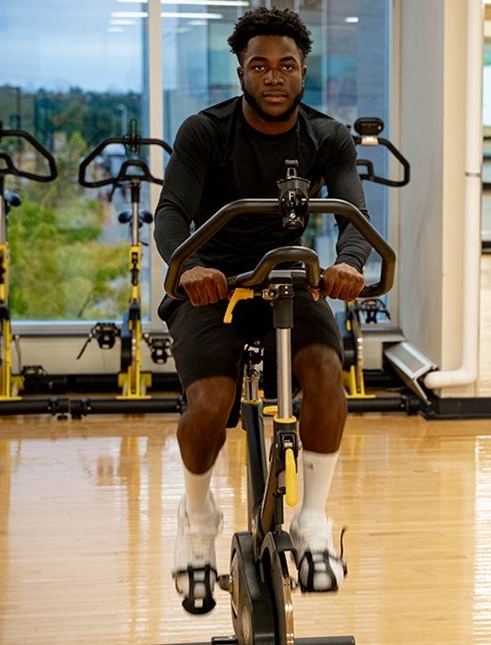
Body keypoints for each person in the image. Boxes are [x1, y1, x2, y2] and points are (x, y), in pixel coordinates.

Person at [155, 7, 370, 611]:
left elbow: (353, 215)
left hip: (290, 283)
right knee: (211, 403)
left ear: (304, 72)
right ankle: (197, 519)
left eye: (286, 66)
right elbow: (171, 212)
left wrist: (350, 262)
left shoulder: (328, 137)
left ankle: (313, 520)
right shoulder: (205, 131)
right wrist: (188, 264)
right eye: (260, 65)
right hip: (214, 286)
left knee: (328, 378)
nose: (273, 77)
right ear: (242, 71)